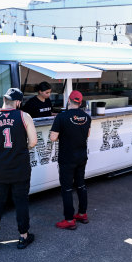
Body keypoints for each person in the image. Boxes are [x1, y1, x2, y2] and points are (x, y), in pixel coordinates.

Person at [0, 88, 37, 251]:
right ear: (18, 102)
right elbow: (33, 142)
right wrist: (21, 145)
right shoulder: (24, 116)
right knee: (21, 201)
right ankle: (23, 236)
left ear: (4, 100)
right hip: (20, 168)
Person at [50, 90, 92, 230]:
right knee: (81, 185)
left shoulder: (61, 117)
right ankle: (82, 214)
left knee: (67, 189)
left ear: (68, 100)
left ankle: (69, 220)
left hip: (67, 158)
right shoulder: (87, 117)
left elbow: (53, 138)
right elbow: (87, 134)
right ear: (80, 102)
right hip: (81, 156)